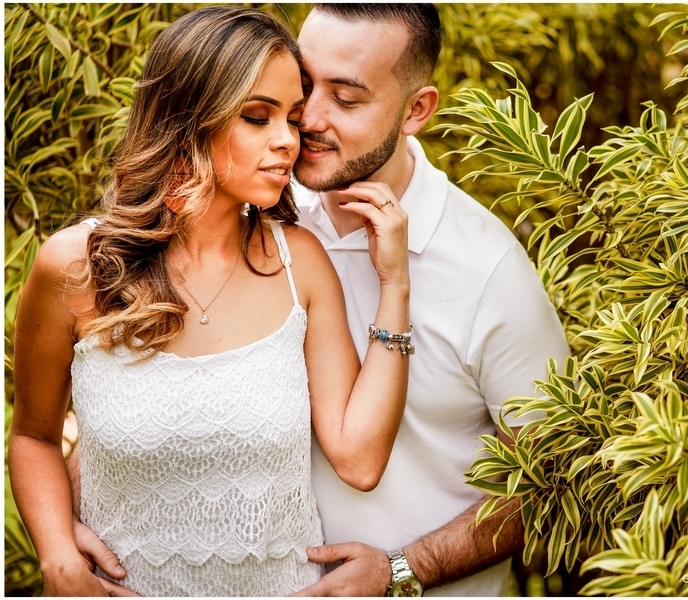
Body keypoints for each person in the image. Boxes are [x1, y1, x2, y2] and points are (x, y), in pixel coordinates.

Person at [74, 3, 570, 596]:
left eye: (348, 98)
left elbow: (553, 482)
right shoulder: (254, 207)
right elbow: (145, 399)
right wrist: (73, 523)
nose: (306, 120)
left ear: (417, 110)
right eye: (304, 87)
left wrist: (405, 568)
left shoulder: (488, 272)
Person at [8, 6, 414, 597]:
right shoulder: (76, 266)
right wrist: (56, 557)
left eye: (293, 119)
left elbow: (359, 458)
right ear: (189, 117)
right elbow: (34, 437)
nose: (287, 141)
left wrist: (395, 286)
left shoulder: (301, 264)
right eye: (257, 116)